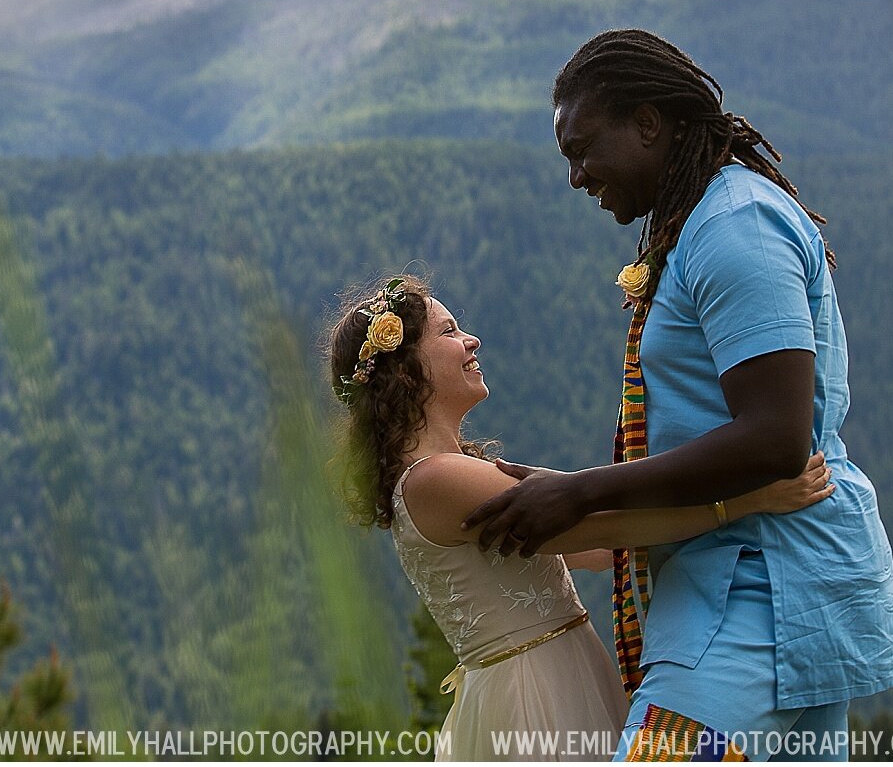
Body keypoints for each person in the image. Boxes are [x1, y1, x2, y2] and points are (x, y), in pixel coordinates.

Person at [462, 29, 893, 761]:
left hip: (759, 603)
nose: (576, 176)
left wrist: (583, 494)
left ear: (648, 123)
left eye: (582, 149)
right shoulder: (703, 221)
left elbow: (775, 438)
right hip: (754, 595)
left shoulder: (736, 226)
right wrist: (571, 491)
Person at [324, 273, 836, 762]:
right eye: (449, 331)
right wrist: (742, 502)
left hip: (553, 673)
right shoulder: (436, 478)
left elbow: (592, 550)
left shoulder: (446, 475)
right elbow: (598, 528)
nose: (472, 340)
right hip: (536, 696)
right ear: (405, 370)